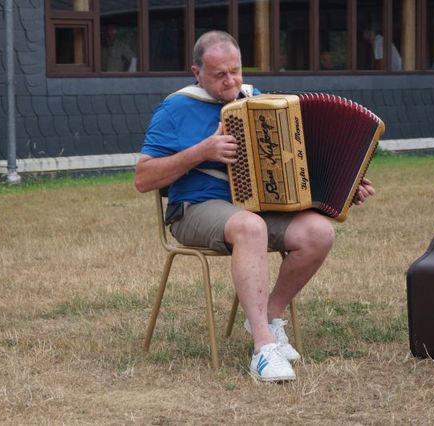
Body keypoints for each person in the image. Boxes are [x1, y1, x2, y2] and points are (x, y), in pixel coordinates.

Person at [135, 31, 375, 382]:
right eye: (219, 74)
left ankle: (267, 317)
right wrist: (202, 151)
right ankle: (263, 350)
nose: (231, 81)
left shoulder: (258, 101)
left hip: (255, 209)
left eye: (236, 70)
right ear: (196, 72)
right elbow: (143, 178)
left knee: (318, 233)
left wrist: (344, 185)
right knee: (251, 227)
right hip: (195, 209)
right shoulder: (174, 108)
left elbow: (295, 164)